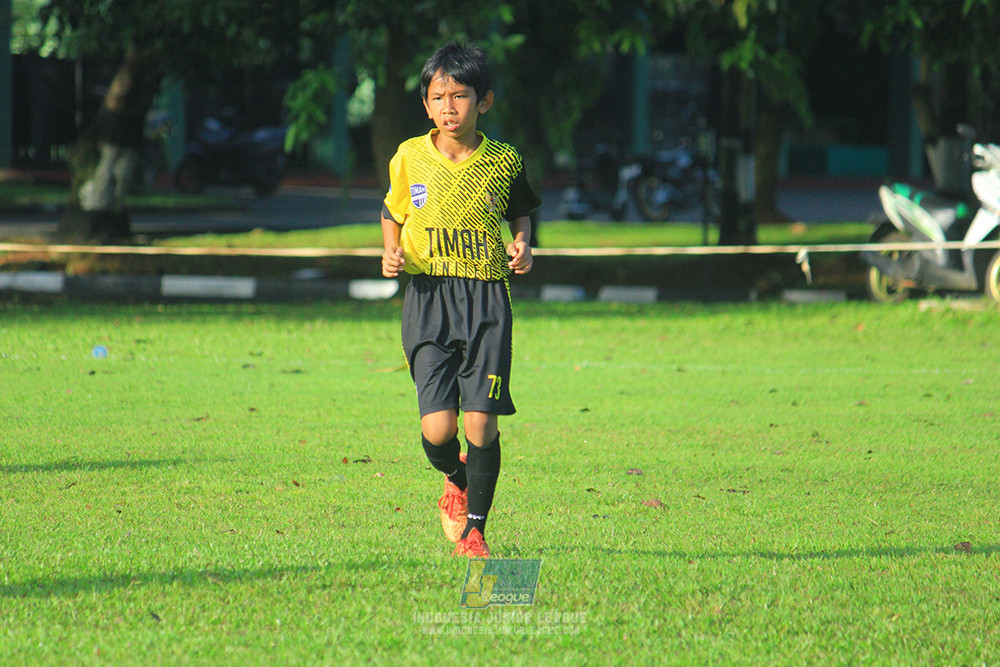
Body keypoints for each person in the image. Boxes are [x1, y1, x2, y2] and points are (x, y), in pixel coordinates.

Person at [380, 41, 541, 559]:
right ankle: (456, 475)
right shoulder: (408, 157)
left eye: (461, 96)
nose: (450, 107)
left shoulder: (503, 160)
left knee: (480, 422)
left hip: (487, 297)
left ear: (484, 102)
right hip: (428, 296)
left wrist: (522, 243)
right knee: (439, 428)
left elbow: (519, 213)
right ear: (426, 105)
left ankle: (475, 532)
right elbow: (392, 213)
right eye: (438, 96)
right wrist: (390, 254)